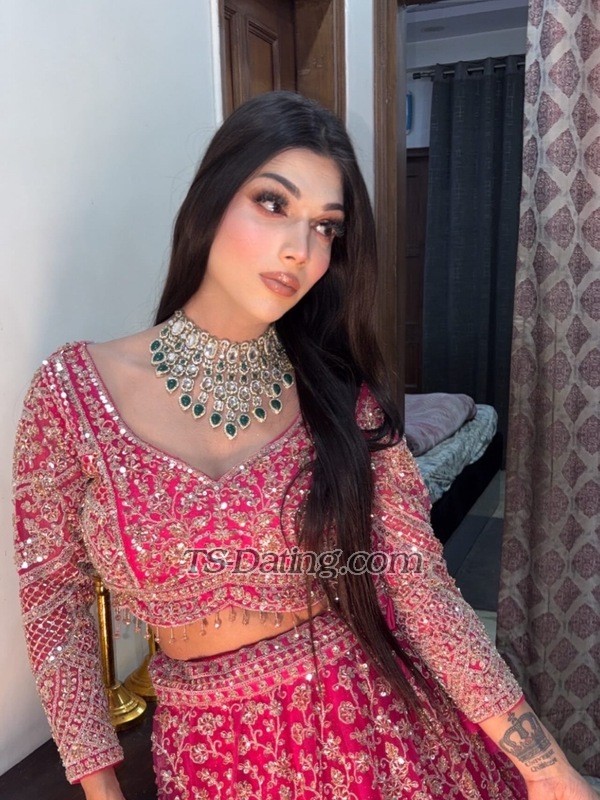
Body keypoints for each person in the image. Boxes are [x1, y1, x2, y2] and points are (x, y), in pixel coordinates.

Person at [13, 91, 597, 800]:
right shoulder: (72, 394)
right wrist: (100, 787)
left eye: (326, 227)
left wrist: (545, 766)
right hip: (205, 756)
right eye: (273, 203)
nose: (301, 248)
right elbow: (53, 601)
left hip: (367, 730)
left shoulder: (341, 402)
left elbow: (421, 590)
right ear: (210, 201)